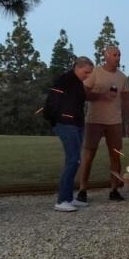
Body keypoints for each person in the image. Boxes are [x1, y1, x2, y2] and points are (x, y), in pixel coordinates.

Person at [77, 45, 129, 202]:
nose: (118, 58)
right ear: (106, 56)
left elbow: (126, 100)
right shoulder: (95, 72)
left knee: (116, 156)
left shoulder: (122, 78)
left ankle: (114, 189)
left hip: (114, 122)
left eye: (119, 55)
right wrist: (101, 95)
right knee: (88, 155)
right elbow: (83, 93)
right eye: (115, 55)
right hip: (94, 120)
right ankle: (82, 190)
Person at [43, 57, 94, 212]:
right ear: (77, 67)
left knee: (74, 160)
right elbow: (52, 103)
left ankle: (69, 197)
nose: (87, 76)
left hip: (76, 124)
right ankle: (62, 200)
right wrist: (58, 120)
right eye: (86, 72)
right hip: (66, 124)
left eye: (90, 73)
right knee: (73, 159)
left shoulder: (78, 83)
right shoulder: (63, 80)